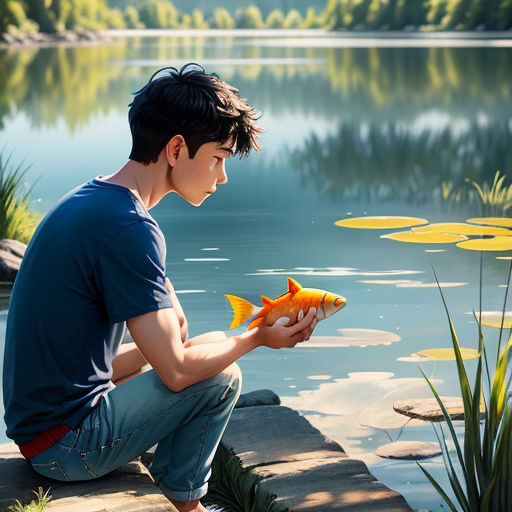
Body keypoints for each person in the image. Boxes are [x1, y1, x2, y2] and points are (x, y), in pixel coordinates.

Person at [2, 63, 318, 512]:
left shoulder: (95, 200)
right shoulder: (129, 226)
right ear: (176, 148)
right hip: (65, 448)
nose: (221, 176)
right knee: (222, 376)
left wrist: (200, 338)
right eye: (218, 158)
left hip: (42, 431)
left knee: (209, 345)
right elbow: (176, 371)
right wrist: (258, 337)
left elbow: (168, 342)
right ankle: (183, 503)